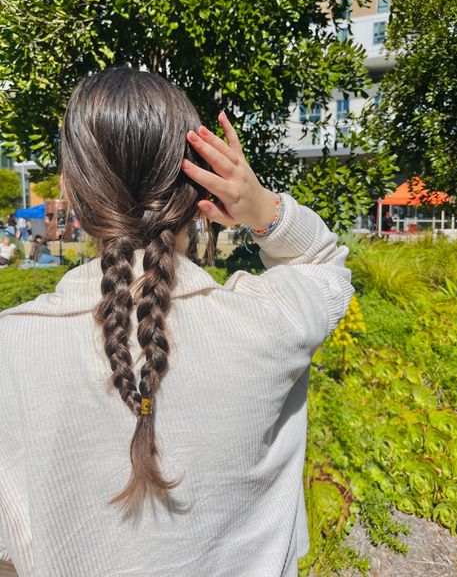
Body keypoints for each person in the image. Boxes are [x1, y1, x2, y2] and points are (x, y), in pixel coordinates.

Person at [0, 67, 353, 577]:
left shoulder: (12, 350)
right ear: (198, 189)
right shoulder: (270, 319)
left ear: (70, 191)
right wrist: (264, 211)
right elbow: (325, 266)